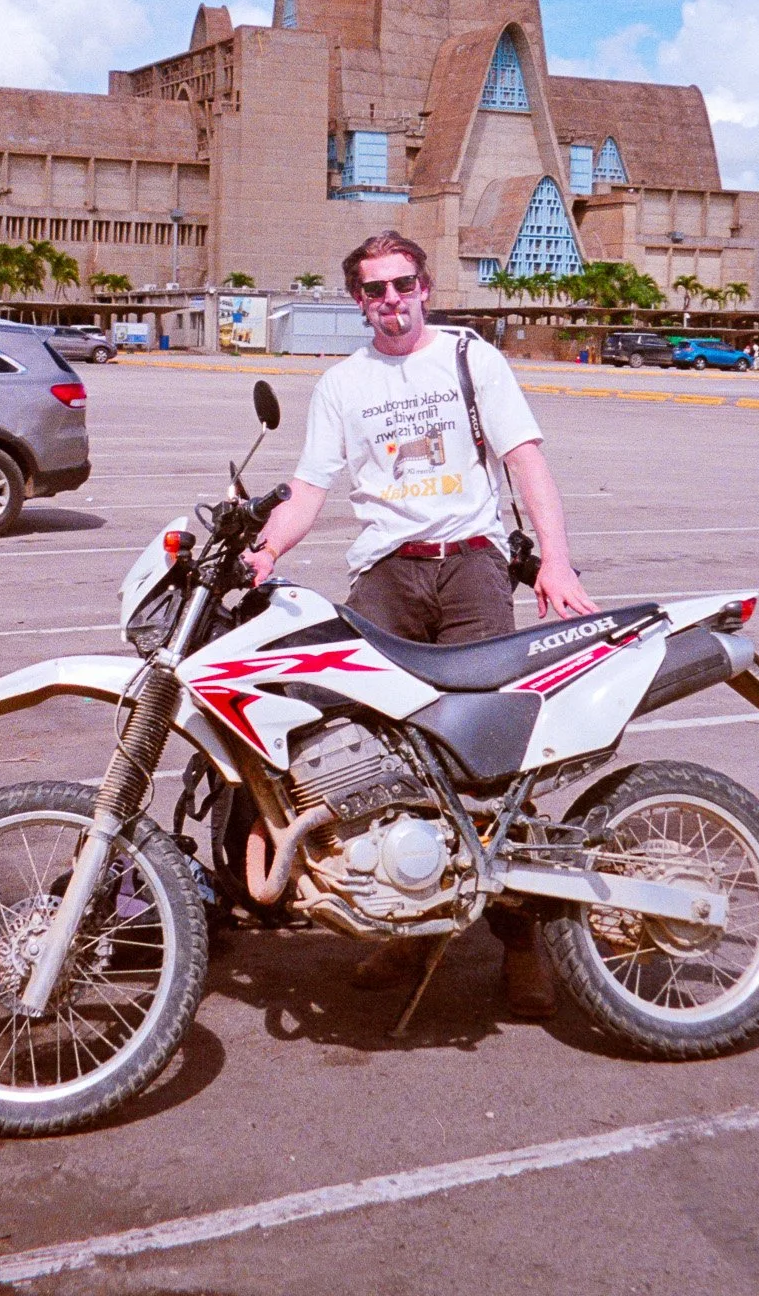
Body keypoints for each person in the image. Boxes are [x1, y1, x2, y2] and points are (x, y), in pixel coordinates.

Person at [247, 228, 598, 1018]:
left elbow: (524, 461)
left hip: (471, 568)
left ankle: (520, 944)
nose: (390, 301)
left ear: (425, 286)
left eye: (401, 284)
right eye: (373, 290)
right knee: (376, 757)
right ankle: (409, 927)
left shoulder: (472, 359)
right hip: (385, 576)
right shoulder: (342, 383)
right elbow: (309, 489)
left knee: (491, 764)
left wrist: (556, 561)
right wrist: (263, 553)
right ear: (357, 300)